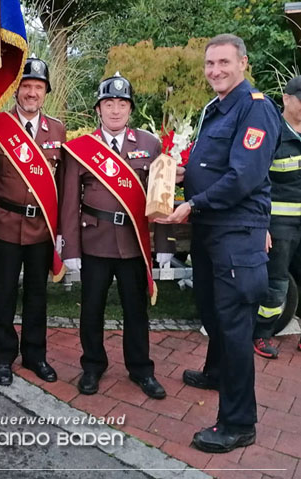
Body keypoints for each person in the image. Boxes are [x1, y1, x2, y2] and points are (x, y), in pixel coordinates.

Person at [159, 34, 281, 453]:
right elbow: (212, 162)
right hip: (211, 232)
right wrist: (182, 175)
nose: (215, 71)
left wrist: (192, 202)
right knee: (213, 310)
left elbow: (243, 177)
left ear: (243, 63)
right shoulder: (219, 107)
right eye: (210, 64)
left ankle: (238, 422)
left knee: (233, 327)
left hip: (235, 234)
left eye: (224, 63)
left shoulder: (256, 108)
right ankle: (215, 373)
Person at [59, 73, 175, 400]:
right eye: (108, 103)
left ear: (130, 109)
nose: (115, 110)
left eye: (122, 104)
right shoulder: (82, 149)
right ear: (98, 109)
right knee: (92, 309)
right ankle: (93, 365)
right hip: (94, 241)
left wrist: (163, 243)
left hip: (134, 243)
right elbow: (69, 201)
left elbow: (160, 198)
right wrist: (70, 248)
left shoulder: (151, 145)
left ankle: (141, 369)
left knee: (136, 310)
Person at [0, 58, 64, 386]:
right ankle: (3, 355)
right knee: (3, 293)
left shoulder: (57, 130)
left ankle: (35, 355)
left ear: (45, 92)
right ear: (17, 90)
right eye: (27, 86)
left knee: (37, 294)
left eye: (38, 87)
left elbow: (60, 184)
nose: (32, 93)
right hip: (5, 223)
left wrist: (61, 230)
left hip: (41, 228)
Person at [252, 75, 301, 359]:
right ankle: (262, 333)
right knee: (276, 285)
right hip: (279, 225)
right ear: (286, 98)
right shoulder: (272, 133)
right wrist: (262, 225)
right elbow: (257, 181)